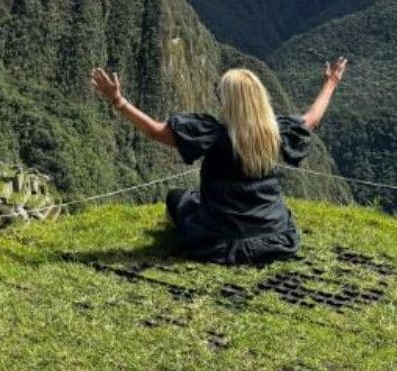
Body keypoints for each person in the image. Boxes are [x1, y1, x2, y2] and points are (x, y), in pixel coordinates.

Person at [89, 58, 347, 265]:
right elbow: (311, 119)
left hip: (220, 238)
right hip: (273, 236)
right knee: (194, 201)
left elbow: (156, 131)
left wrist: (118, 100)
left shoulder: (212, 135)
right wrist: (331, 84)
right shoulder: (274, 132)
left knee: (178, 198)